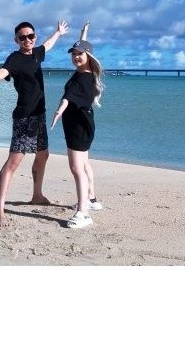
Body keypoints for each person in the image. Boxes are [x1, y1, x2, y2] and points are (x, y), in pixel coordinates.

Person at [0, 19, 69, 228]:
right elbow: (3, 72)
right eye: (23, 37)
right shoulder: (14, 59)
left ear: (35, 37)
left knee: (43, 154)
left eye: (31, 36)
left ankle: (37, 195)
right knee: (13, 163)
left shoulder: (36, 54)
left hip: (39, 115)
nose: (27, 40)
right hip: (24, 118)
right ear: (16, 40)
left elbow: (48, 45)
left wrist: (58, 33)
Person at [50, 27, 104, 229]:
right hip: (85, 124)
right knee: (84, 164)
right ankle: (91, 199)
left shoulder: (82, 79)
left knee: (76, 168)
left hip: (78, 127)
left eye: (79, 54)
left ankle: (83, 213)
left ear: (88, 56)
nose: (76, 57)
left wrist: (58, 112)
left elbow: (67, 98)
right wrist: (84, 34)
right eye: (73, 54)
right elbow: (83, 47)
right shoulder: (87, 74)